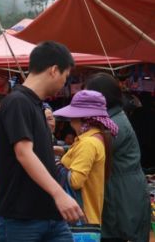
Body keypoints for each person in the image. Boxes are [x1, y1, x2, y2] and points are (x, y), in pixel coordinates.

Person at [0, 41, 83, 241]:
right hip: (20, 218)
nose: (64, 84)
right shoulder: (17, 102)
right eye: (65, 77)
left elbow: (36, 152)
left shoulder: (36, 106)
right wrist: (59, 193)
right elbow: (24, 153)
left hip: (50, 215)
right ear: (54, 70)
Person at [85, 74, 150, 242]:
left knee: (119, 235)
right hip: (121, 188)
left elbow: (90, 153)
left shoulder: (115, 124)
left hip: (122, 192)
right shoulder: (112, 118)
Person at [52, 90, 117, 226]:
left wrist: (55, 162)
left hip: (80, 218)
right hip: (87, 217)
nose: (70, 121)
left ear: (83, 119)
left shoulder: (88, 143)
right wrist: (64, 152)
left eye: (73, 117)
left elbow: (75, 181)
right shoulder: (94, 138)